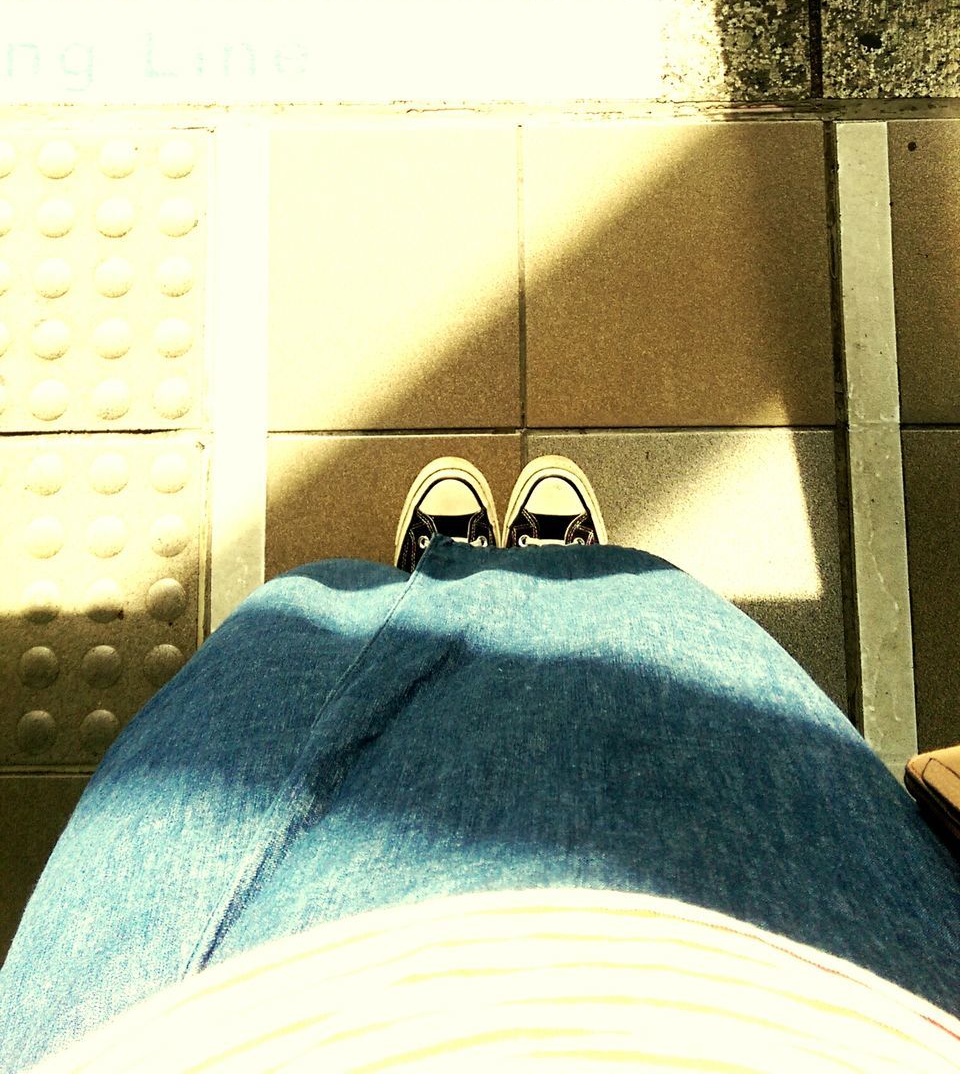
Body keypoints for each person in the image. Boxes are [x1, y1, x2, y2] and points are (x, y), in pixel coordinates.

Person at [2, 456, 959, 1073]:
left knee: (314, 658)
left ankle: (467, 585)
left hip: (232, 1025)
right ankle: (530, 585)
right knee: (649, 670)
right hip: (823, 1017)